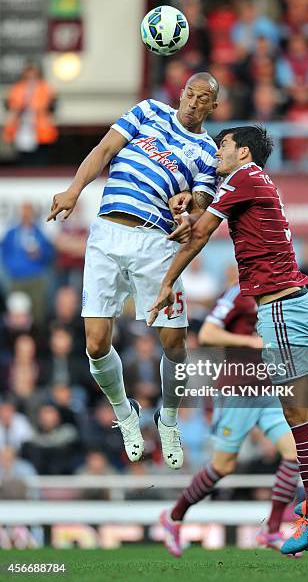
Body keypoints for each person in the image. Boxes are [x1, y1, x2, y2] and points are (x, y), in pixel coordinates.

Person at [149, 125, 308, 555]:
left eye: (222, 145)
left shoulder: (242, 177)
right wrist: (188, 214)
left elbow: (200, 234)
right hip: (294, 302)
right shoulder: (252, 182)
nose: (217, 152)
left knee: (299, 414)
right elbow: (198, 225)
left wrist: (167, 282)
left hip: (279, 308)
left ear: (241, 152)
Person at [46, 72, 219, 471]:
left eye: (202, 98)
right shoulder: (147, 111)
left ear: (213, 107)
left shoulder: (207, 151)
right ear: (181, 93)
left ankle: (169, 418)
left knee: (175, 343)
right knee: (94, 343)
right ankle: (126, 414)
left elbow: (199, 204)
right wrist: (74, 189)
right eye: (190, 94)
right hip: (107, 233)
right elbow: (105, 149)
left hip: (156, 244)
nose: (193, 102)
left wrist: (187, 212)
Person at [159, 279, 300, 557]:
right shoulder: (239, 292)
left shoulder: (283, 290)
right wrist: (249, 341)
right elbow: (209, 334)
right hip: (239, 391)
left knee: (294, 454)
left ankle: (271, 528)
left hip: (269, 388)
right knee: (222, 466)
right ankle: (174, 516)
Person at [3, 62, 58, 165]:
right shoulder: (17, 88)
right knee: (25, 160)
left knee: (41, 159)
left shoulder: (45, 88)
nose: (31, 75)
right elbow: (11, 107)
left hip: (41, 131)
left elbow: (52, 106)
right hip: (22, 129)